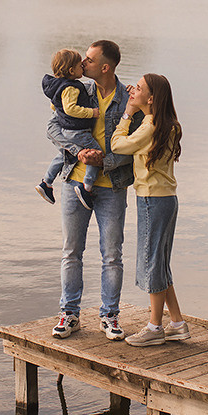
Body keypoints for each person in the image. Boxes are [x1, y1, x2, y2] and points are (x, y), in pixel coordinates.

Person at [46, 40, 142, 341]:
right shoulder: (75, 91)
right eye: (83, 60)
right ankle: (70, 314)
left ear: (105, 67)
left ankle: (109, 316)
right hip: (74, 183)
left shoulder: (130, 99)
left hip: (112, 186)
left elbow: (137, 143)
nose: (82, 63)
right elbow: (52, 129)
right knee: (71, 251)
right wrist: (79, 152)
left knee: (112, 254)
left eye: (88, 60)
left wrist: (104, 161)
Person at [110, 73, 190, 347]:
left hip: (151, 201)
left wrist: (127, 113)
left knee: (152, 262)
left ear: (151, 98)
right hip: (167, 200)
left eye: (139, 88)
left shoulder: (150, 127)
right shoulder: (169, 124)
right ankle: (177, 323)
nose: (133, 90)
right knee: (160, 261)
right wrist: (137, 109)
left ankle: (155, 327)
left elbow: (117, 145)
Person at [35, 49, 101, 206]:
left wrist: (62, 115)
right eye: (80, 65)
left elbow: (54, 105)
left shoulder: (58, 85)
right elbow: (70, 109)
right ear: (72, 71)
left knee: (64, 154)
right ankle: (87, 186)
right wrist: (91, 112)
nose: (83, 67)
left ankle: (46, 182)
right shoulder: (71, 87)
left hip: (68, 130)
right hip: (77, 131)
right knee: (95, 154)